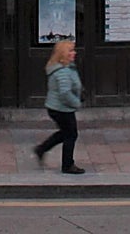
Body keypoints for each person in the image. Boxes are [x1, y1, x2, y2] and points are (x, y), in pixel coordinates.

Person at [32, 40, 85, 174]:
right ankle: (67, 165)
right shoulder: (62, 71)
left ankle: (41, 149)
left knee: (65, 133)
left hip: (58, 108)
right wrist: (76, 103)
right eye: (71, 51)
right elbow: (65, 93)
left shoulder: (66, 67)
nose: (74, 53)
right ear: (63, 54)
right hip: (62, 109)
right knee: (71, 135)